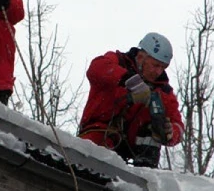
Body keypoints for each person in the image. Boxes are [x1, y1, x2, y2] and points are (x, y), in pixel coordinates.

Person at [78, 32, 184, 168]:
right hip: (98, 135)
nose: (159, 72)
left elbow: (178, 125)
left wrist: (170, 132)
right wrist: (130, 81)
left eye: (163, 67)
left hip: (134, 150)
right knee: (93, 160)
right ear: (140, 57)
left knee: (153, 130)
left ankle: (146, 178)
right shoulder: (116, 61)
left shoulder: (163, 92)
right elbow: (95, 69)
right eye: (156, 65)